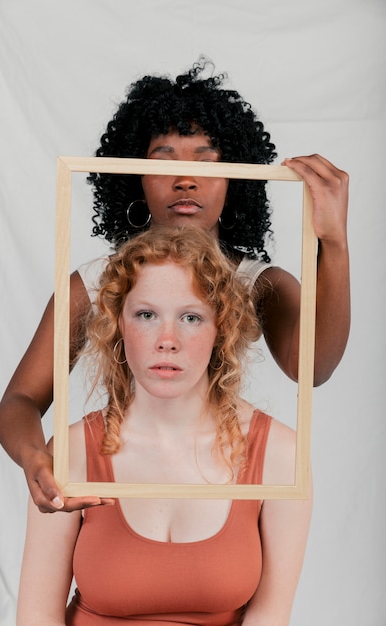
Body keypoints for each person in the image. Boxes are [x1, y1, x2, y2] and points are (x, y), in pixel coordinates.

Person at [0, 57, 350, 513]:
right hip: (118, 489)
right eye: (165, 161)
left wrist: (335, 243)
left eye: (206, 163)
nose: (186, 179)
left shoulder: (258, 283)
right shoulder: (95, 283)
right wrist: (33, 457)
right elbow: (20, 400)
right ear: (136, 178)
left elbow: (314, 367)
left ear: (234, 180)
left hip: (214, 492)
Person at [16, 226, 313, 626]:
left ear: (220, 329)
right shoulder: (71, 450)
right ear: (119, 324)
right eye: (146, 314)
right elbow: (36, 617)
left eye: (190, 317)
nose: (166, 339)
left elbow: (271, 615)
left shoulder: (280, 454)